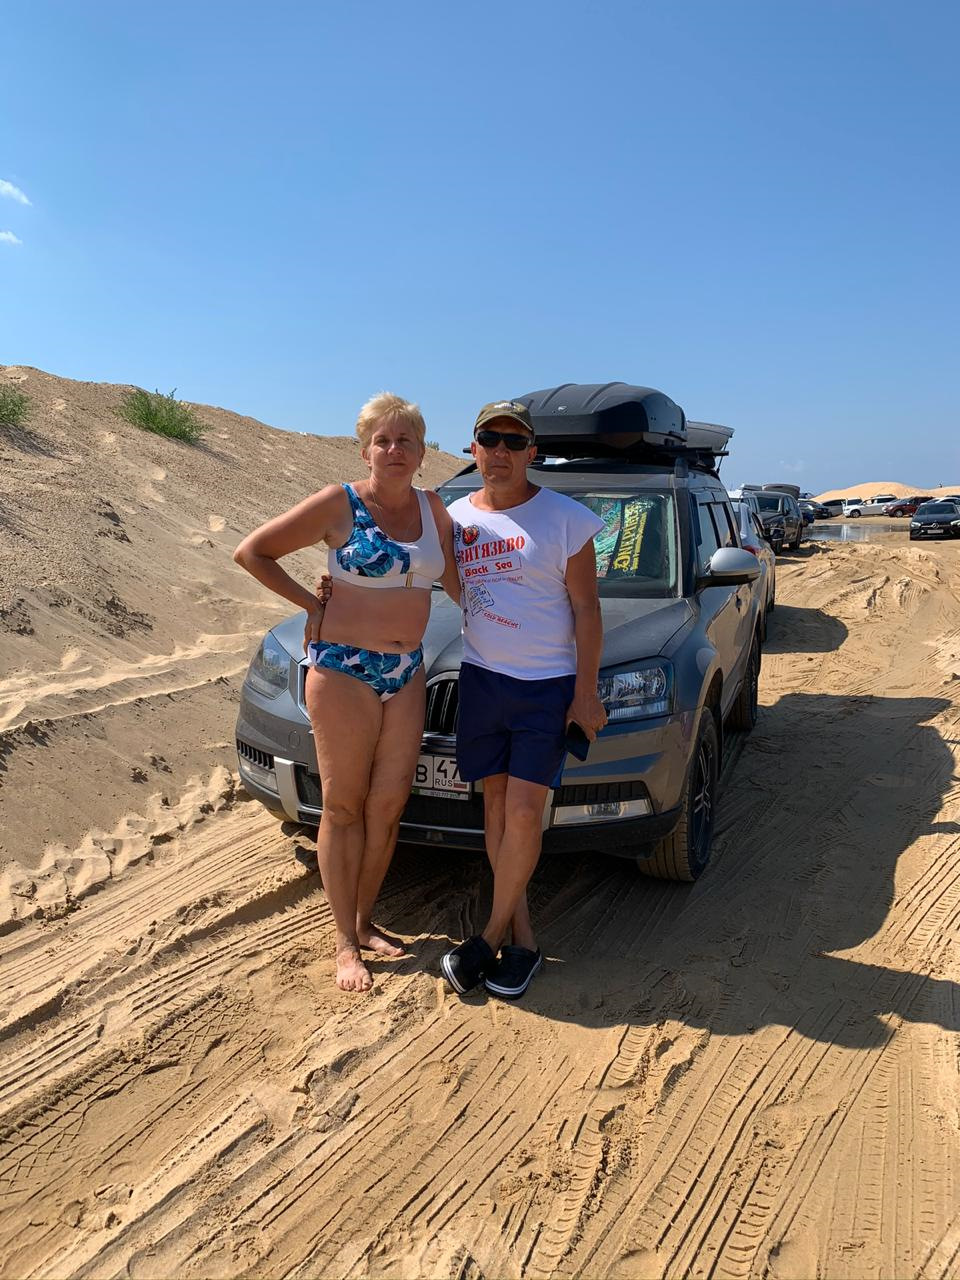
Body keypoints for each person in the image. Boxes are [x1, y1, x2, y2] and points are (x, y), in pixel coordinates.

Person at [233, 393, 454, 993]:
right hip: (343, 668)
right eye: (383, 440)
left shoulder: (434, 509)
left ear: (422, 452)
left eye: (406, 440)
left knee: (388, 805)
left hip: (407, 669)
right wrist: (311, 604)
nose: (394, 450)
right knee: (343, 806)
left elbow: (462, 583)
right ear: (365, 451)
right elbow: (253, 552)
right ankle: (344, 944)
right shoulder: (340, 503)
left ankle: (364, 919)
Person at [439, 401, 607, 1000]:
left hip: (546, 686)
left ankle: (487, 937)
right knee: (495, 808)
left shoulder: (567, 519)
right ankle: (524, 938)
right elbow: (435, 577)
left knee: (524, 813)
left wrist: (584, 692)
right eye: (491, 439)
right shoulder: (456, 518)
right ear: (474, 449)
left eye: (514, 442)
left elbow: (587, 608)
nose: (501, 452)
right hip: (483, 679)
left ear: (532, 452)